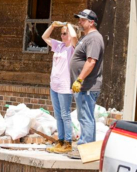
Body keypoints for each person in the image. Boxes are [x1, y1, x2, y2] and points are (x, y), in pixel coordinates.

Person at [68, 9, 104, 158]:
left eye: (83, 19)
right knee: (85, 116)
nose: (80, 22)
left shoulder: (94, 38)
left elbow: (91, 62)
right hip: (83, 86)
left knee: (85, 117)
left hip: (87, 86)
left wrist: (79, 79)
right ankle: (87, 149)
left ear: (91, 22)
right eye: (80, 19)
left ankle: (85, 150)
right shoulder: (87, 37)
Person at [42, 21, 78, 154]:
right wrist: (52, 26)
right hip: (54, 85)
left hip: (64, 86)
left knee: (65, 114)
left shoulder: (72, 48)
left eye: (64, 33)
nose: (62, 36)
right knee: (58, 115)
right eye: (61, 33)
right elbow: (44, 37)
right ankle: (60, 141)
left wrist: (69, 25)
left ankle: (68, 142)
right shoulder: (59, 46)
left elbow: (74, 37)